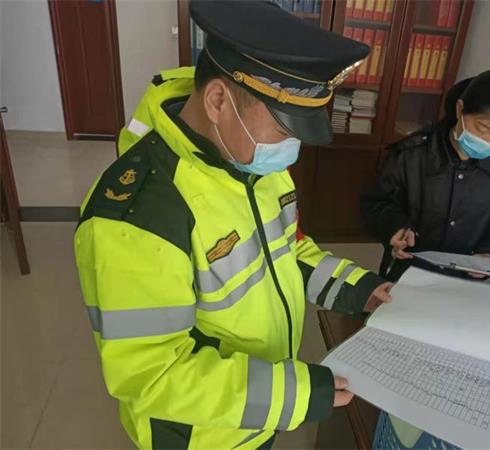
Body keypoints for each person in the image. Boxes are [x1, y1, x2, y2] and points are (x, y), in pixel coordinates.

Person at [74, 2, 394, 449]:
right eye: (284, 129)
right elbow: (153, 373)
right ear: (218, 100)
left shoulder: (254, 162)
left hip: (258, 413)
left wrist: (360, 291)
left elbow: (287, 253)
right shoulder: (141, 215)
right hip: (203, 437)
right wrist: (293, 394)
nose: (292, 147)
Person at [361, 69, 490, 281]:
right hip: (407, 269)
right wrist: (394, 228)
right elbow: (378, 201)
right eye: (482, 128)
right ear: (460, 109)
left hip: (466, 278)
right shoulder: (412, 154)